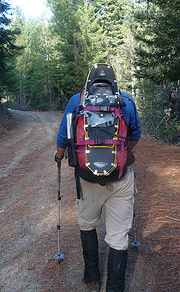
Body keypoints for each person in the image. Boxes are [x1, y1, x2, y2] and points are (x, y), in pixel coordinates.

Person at [56, 65, 141, 292]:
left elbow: (63, 137)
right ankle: (115, 287)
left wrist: (59, 155)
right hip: (120, 177)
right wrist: (122, 155)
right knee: (118, 234)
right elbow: (135, 134)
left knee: (87, 224)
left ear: (89, 81)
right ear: (114, 81)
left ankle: (92, 279)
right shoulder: (127, 101)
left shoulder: (78, 100)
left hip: (87, 178)